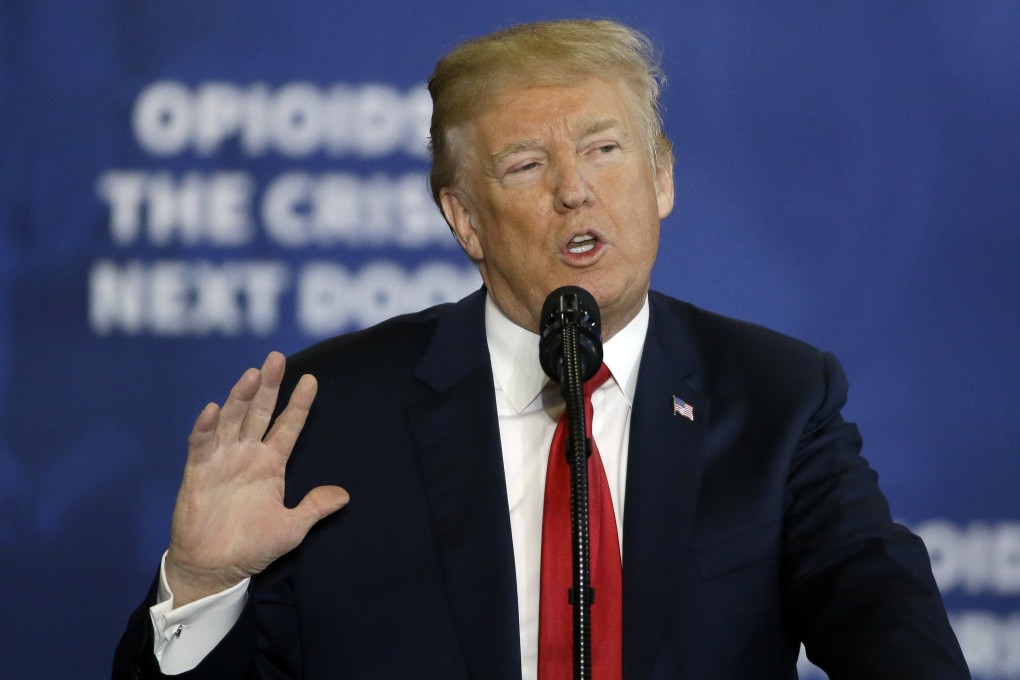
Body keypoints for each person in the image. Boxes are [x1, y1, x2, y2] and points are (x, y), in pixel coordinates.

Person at [114, 19, 969, 679]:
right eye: (526, 165)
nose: (574, 189)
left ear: (661, 178)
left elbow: (883, 617)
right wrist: (201, 586)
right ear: (464, 220)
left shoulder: (777, 397)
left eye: (603, 149)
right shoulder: (330, 411)